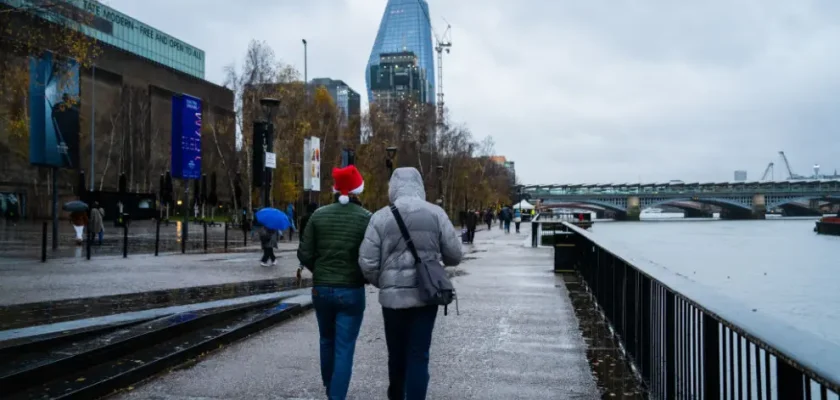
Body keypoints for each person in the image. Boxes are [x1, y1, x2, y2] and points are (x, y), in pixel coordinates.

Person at [358, 167, 463, 400]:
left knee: (395, 355)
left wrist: (385, 282)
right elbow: (455, 254)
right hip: (426, 297)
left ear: (393, 187)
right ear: (420, 186)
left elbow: (367, 261)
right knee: (419, 355)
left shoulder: (380, 217)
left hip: (392, 300)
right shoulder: (436, 214)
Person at [297, 165, 371, 400]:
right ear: (358, 191)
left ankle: (330, 388)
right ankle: (336, 396)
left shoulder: (318, 216)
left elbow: (304, 252)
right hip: (351, 291)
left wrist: (318, 270)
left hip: (322, 289)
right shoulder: (366, 218)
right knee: (344, 347)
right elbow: (370, 255)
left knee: (326, 340)